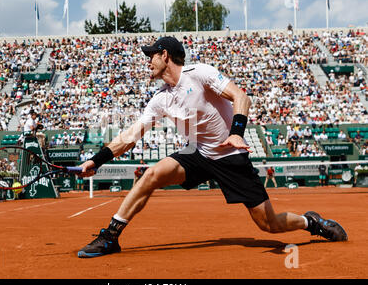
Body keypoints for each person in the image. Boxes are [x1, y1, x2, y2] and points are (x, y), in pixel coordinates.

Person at [77, 36, 348, 258]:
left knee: (269, 224)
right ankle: (110, 237)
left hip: (230, 156)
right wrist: (96, 160)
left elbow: (240, 96)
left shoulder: (200, 74)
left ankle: (311, 222)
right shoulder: (160, 99)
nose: (148, 62)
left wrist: (237, 133)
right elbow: (130, 135)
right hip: (198, 152)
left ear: (166, 56)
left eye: (152, 56)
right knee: (151, 175)